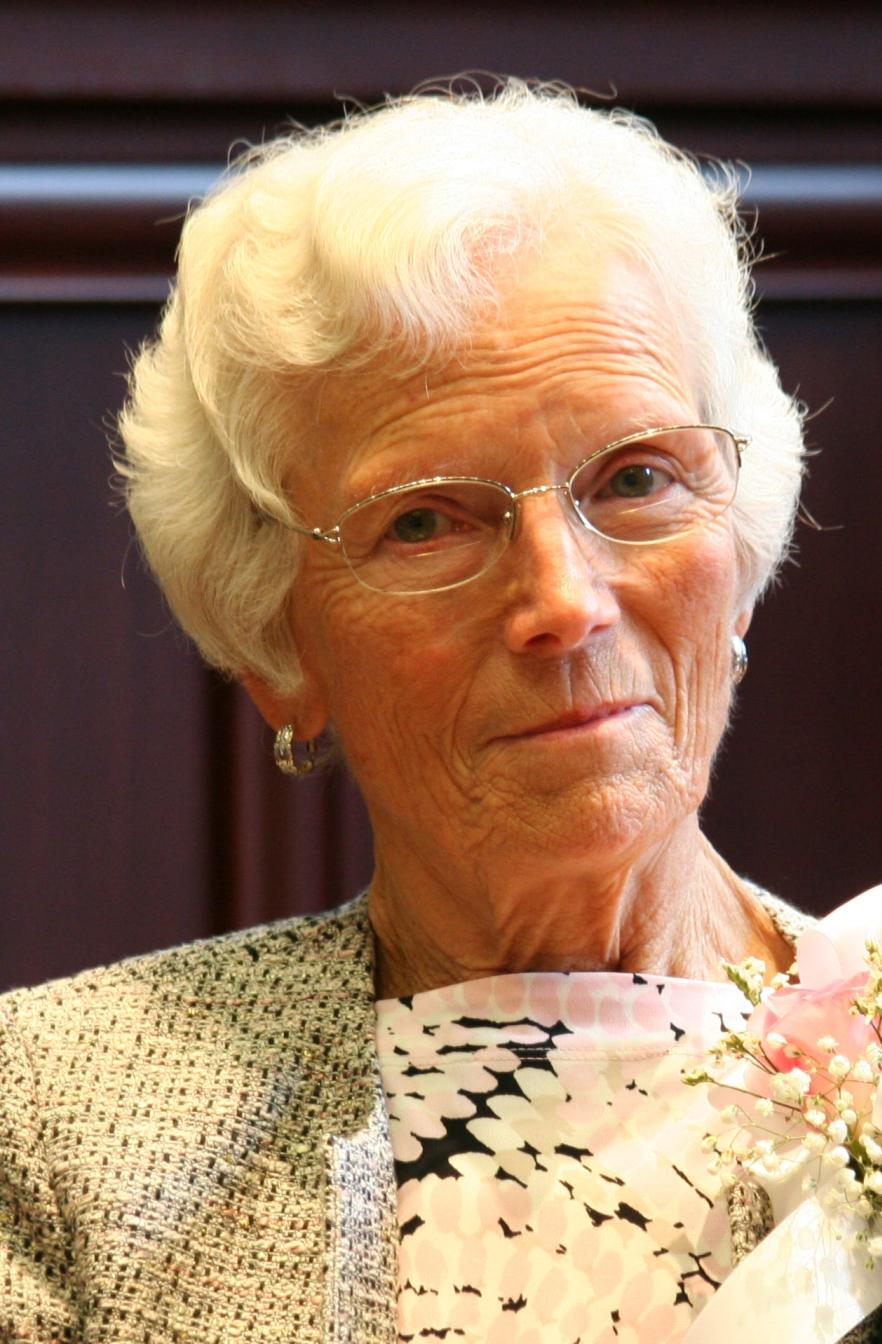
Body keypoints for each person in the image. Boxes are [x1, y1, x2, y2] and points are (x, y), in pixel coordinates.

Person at [0, 81, 820, 1343]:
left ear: (740, 551)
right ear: (277, 637)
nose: (566, 601)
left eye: (639, 477)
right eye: (426, 520)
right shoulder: (57, 1122)